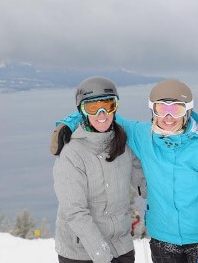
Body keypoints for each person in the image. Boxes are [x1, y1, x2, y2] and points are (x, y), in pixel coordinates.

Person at [52, 79, 198, 263]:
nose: (168, 117)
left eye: (176, 109)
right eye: (161, 109)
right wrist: (67, 123)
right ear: (153, 110)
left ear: (187, 111)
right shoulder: (143, 136)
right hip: (163, 241)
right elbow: (103, 112)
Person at [53, 76, 146, 263]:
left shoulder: (124, 146)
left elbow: (145, 185)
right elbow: (75, 211)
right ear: (82, 111)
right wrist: (102, 256)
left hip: (121, 247)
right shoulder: (72, 154)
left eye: (108, 106)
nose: (102, 114)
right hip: (81, 253)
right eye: (93, 107)